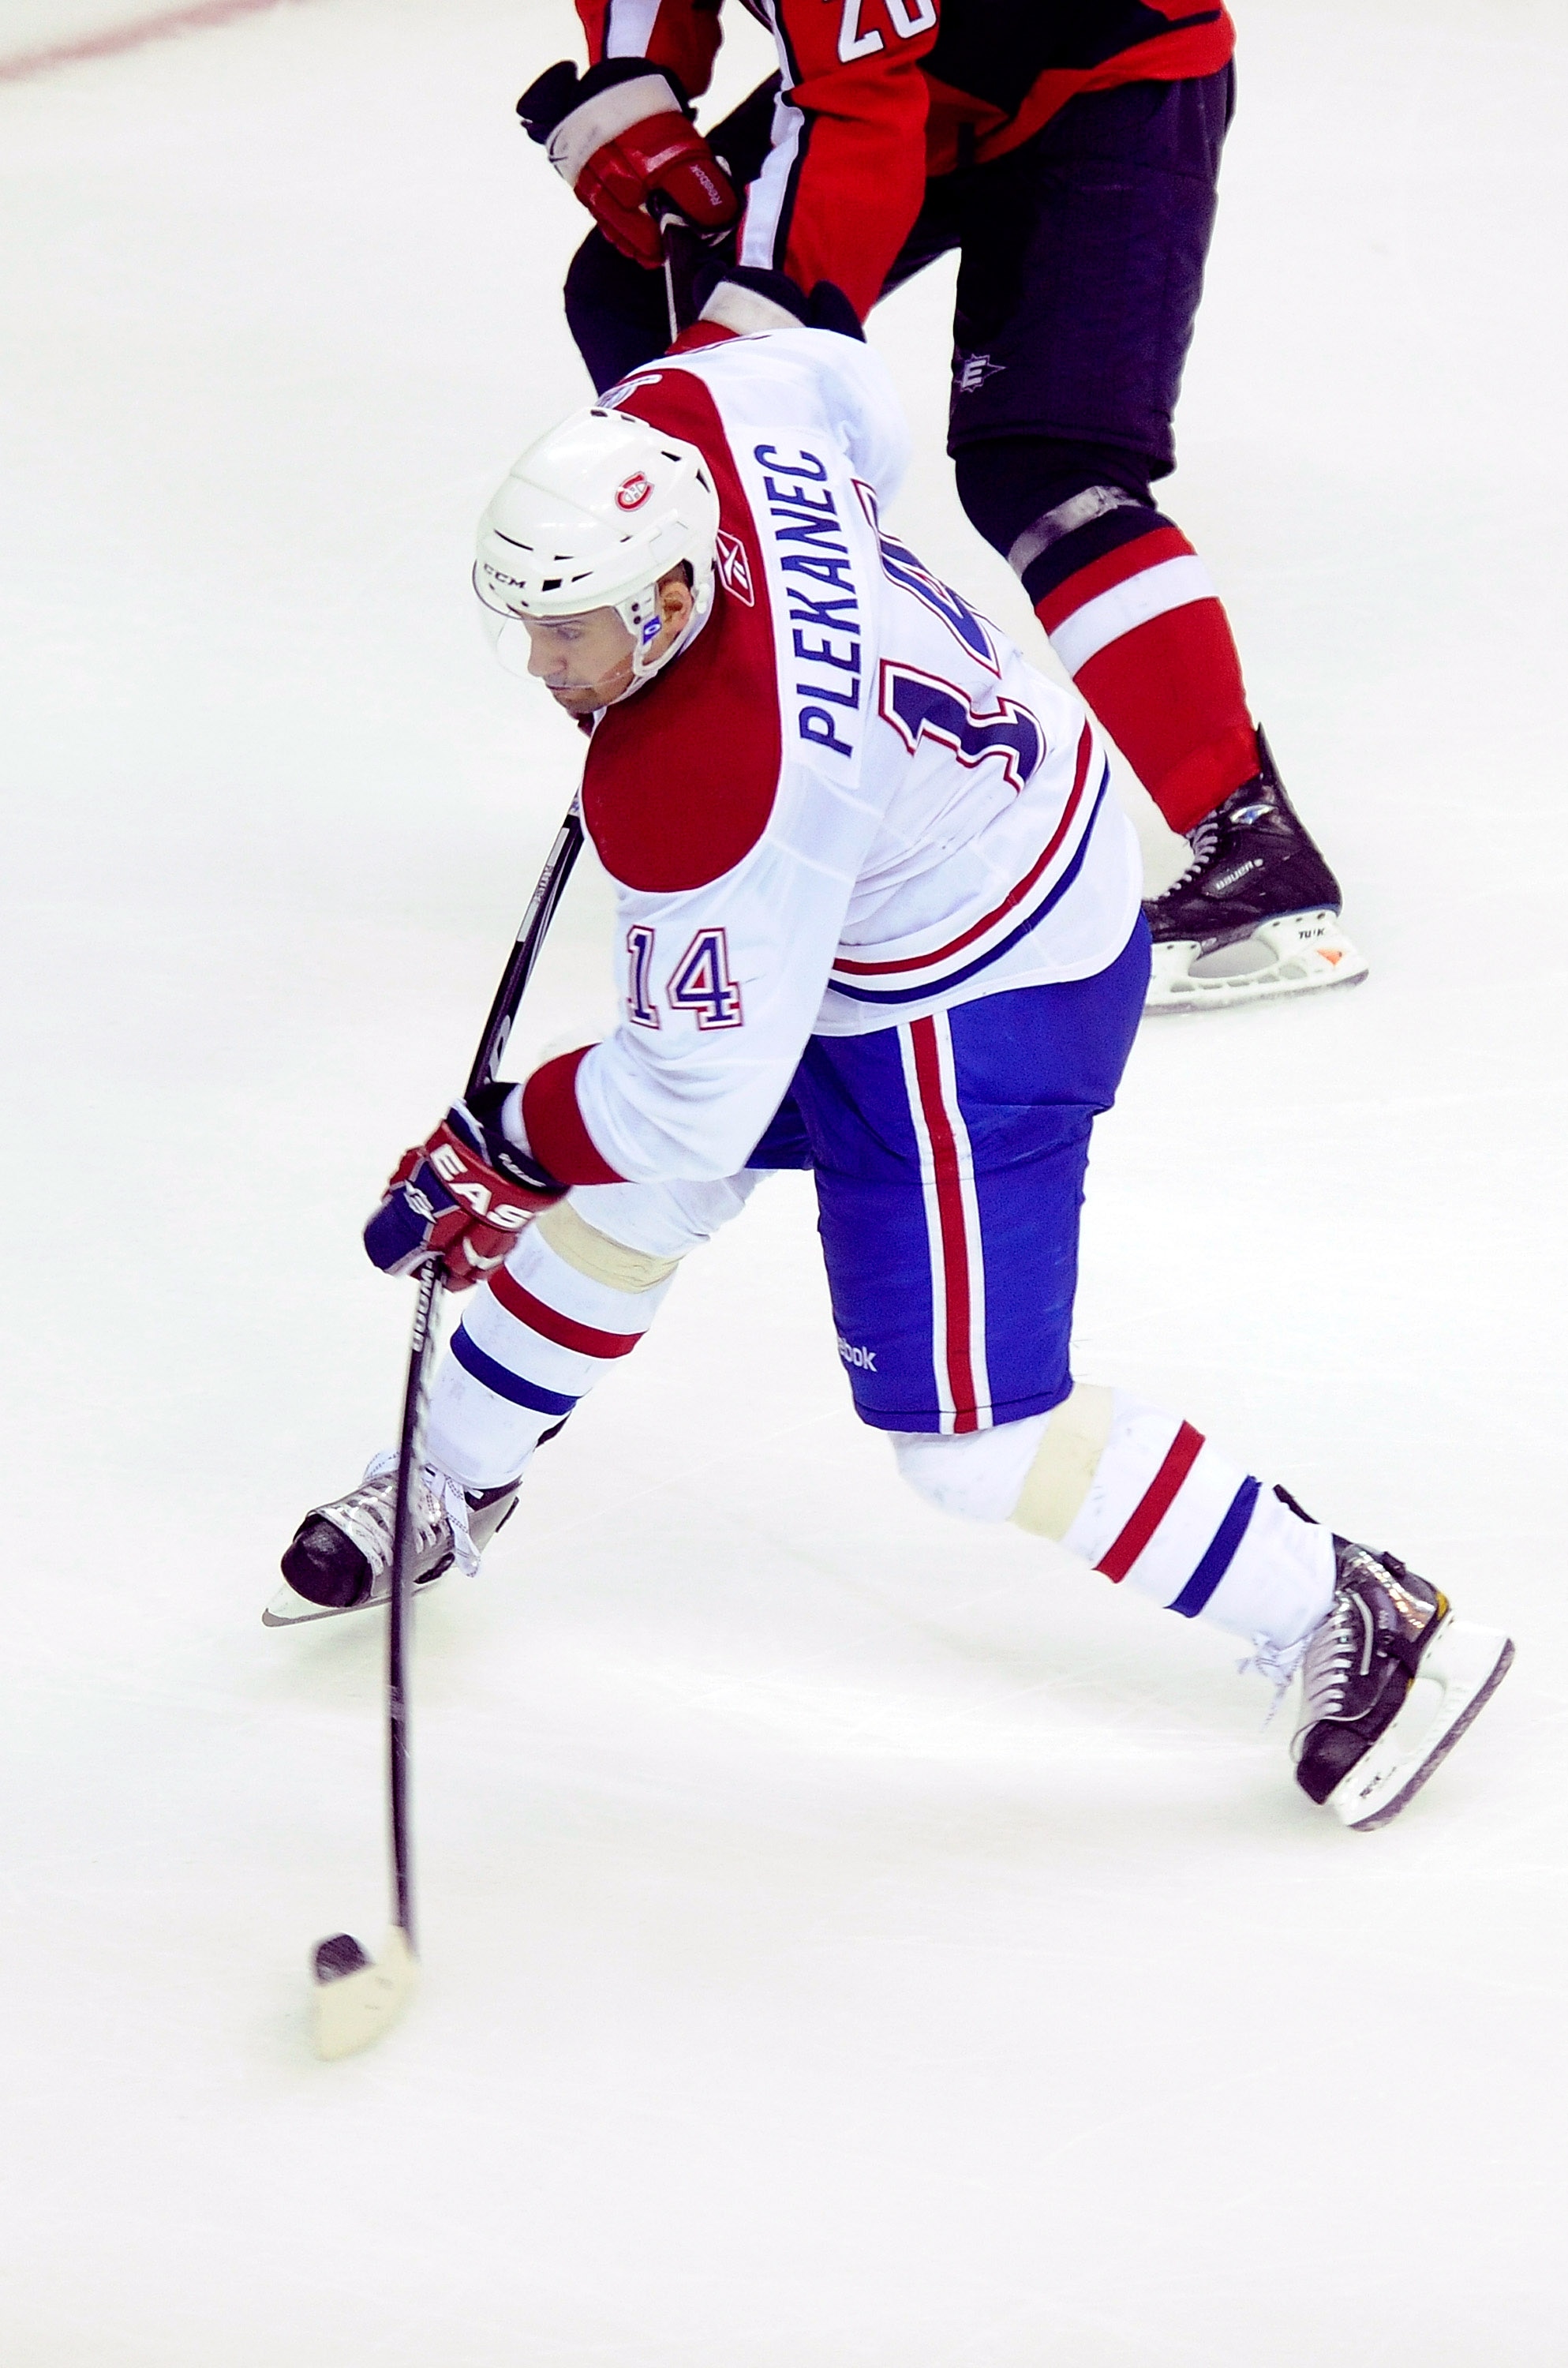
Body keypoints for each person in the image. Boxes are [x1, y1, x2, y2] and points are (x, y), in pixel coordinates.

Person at [272, 305, 1508, 1831]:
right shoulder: (700, 417)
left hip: (982, 1000)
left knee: (970, 1439)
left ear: (666, 597)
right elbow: (848, 387)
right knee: (654, 1185)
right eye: (525, 621)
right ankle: (453, 1474)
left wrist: (504, 1141)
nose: (539, 661)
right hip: (953, 854)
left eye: (568, 632)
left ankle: (1347, 1602)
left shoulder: (718, 787)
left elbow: (688, 1088)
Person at [514, 0, 1368, 1015]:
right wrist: (635, 83)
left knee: (1044, 466)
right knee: (628, 286)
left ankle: (1256, 850)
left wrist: (741, 351)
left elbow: (855, 115)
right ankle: (770, 728)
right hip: (929, 73)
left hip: (1106, 77)